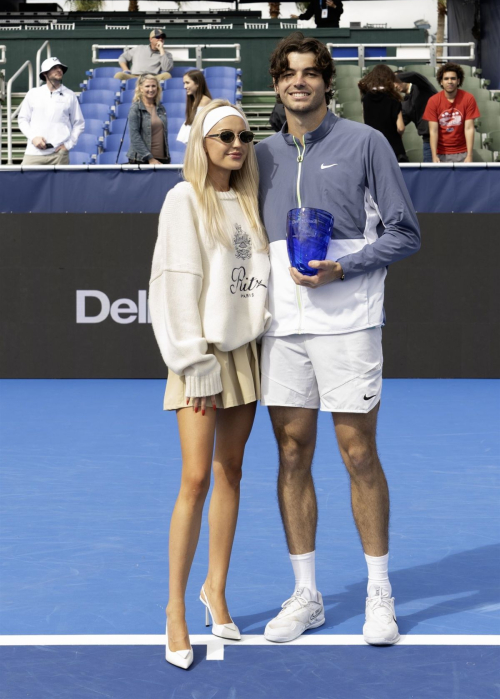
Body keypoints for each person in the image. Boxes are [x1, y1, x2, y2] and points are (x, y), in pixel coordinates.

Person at [255, 33, 420, 646]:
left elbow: (406, 233)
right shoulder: (260, 154)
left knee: (357, 455)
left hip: (349, 322)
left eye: (309, 73)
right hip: (282, 330)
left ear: (327, 82)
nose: (298, 82)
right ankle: (307, 595)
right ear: (276, 85)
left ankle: (380, 593)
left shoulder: (368, 143)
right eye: (288, 74)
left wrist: (342, 268)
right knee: (292, 454)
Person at [149, 100, 271, 670]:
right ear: (200, 140)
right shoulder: (183, 199)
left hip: (245, 351)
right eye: (224, 135)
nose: (236, 143)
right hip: (201, 356)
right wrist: (192, 359)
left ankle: (214, 589)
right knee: (195, 477)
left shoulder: (248, 199)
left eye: (244, 135)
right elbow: (173, 285)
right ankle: (175, 608)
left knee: (231, 471)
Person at [18, 56, 85, 166]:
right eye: (54, 68)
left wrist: (68, 146)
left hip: (59, 155)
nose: (59, 70)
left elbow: (79, 123)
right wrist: (33, 137)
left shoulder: (70, 95)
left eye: (60, 68)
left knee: (60, 184)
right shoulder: (33, 93)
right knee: (24, 183)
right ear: (45, 73)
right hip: (33, 153)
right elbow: (22, 119)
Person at [423, 63, 480, 163]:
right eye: (446, 79)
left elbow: (469, 128)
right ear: (441, 82)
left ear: (458, 81)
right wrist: (434, 155)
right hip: (440, 153)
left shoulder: (468, 98)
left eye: (453, 78)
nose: (450, 82)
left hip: (463, 152)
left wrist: (469, 155)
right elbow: (433, 131)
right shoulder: (433, 101)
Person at [358, 64, 408, 162]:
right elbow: (400, 127)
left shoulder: (366, 98)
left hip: (373, 147)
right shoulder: (394, 98)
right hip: (393, 148)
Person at [126, 74, 170, 165]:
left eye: (153, 86)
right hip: (142, 160)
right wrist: (150, 159)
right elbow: (135, 137)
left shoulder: (161, 108)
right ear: (140, 88)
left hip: (161, 160)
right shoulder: (135, 109)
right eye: (147, 86)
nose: (151, 89)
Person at [395, 71, 438, 163]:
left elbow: (415, 75)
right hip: (428, 141)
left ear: (404, 78)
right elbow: (399, 123)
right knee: (431, 174)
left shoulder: (420, 86)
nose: (394, 85)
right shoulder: (404, 103)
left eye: (396, 81)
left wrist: (389, 77)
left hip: (444, 138)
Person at [176, 69, 212, 145]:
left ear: (198, 83)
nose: (185, 86)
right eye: (184, 83)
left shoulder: (205, 101)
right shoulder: (193, 100)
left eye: (187, 83)